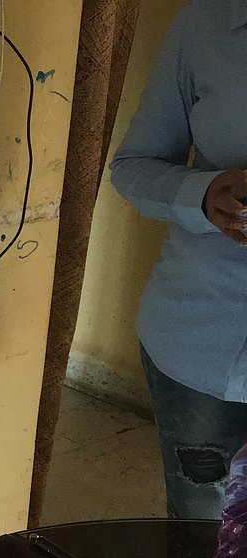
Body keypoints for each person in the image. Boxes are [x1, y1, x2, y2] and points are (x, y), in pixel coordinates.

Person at [108, 0, 247, 520]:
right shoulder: (207, 25)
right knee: (202, 546)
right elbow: (132, 166)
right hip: (198, 344)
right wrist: (204, 194)